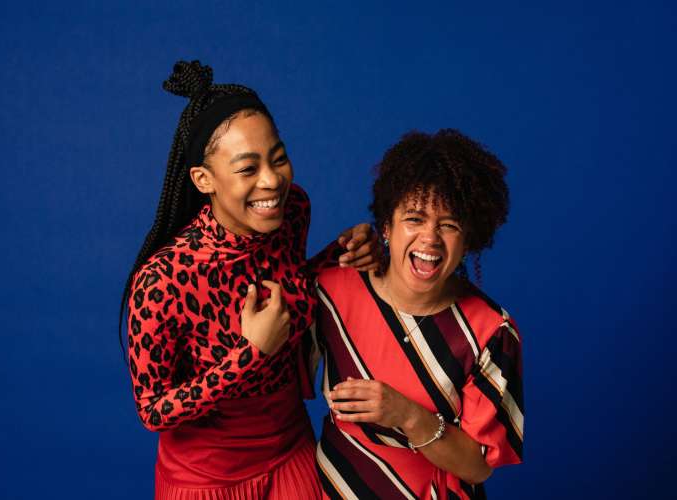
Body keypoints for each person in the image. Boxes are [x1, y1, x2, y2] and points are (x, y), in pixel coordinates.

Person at [120, 61, 379, 500]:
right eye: (247, 168)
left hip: (291, 451)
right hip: (206, 481)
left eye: (278, 158)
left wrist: (343, 256)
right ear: (205, 180)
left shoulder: (291, 212)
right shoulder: (162, 282)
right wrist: (251, 354)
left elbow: (289, 287)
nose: (272, 180)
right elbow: (153, 409)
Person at [314, 129, 523, 499]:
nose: (430, 238)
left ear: (469, 238)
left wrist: (407, 416)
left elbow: (478, 466)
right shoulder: (332, 290)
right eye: (414, 218)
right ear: (386, 226)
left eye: (449, 225)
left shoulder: (491, 330)